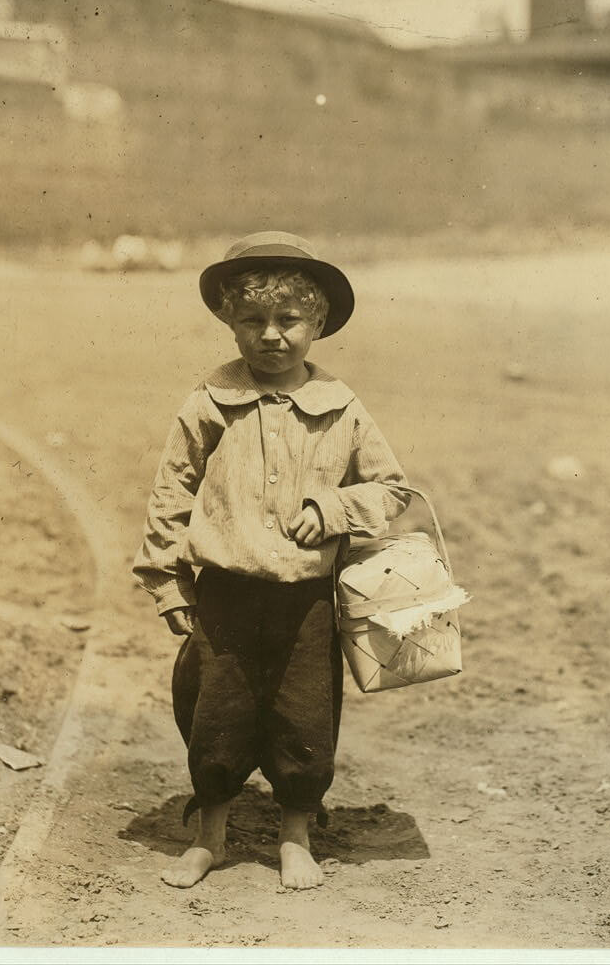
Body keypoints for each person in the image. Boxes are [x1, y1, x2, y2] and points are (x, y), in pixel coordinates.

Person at [132, 231, 408, 890]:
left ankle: (295, 838)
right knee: (216, 714)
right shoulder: (206, 403)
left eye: (288, 320)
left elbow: (391, 489)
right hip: (224, 593)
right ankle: (210, 838)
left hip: (306, 600)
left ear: (315, 324)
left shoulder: (341, 408)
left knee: (304, 718)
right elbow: (170, 492)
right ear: (230, 322)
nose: (271, 336)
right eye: (252, 320)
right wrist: (168, 586)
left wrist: (334, 511)